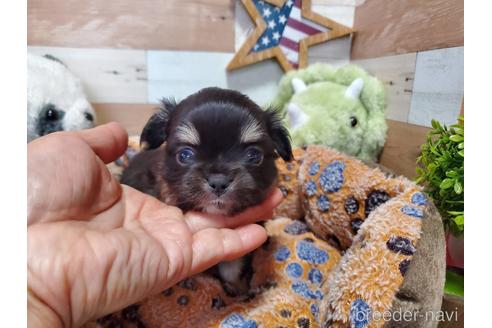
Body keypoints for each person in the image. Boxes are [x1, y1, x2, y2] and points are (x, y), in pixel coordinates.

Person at [27, 122, 282, 327]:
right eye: (185, 154)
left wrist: (38, 295)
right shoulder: (140, 191)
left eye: (252, 155)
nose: (219, 178)